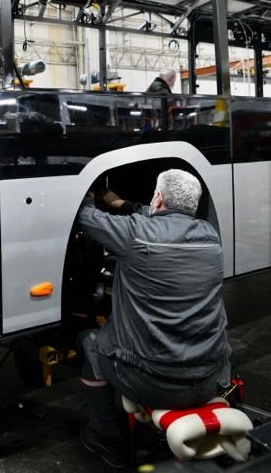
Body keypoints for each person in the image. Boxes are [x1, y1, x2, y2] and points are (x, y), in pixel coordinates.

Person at [76, 169, 230, 468]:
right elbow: (163, 219)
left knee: (90, 342)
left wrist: (89, 193)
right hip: (211, 378)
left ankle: (110, 443)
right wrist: (122, 203)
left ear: (157, 197)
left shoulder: (134, 233)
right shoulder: (210, 236)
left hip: (153, 384)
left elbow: (85, 215)